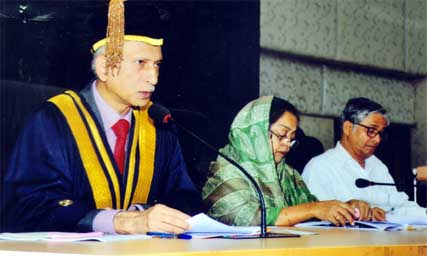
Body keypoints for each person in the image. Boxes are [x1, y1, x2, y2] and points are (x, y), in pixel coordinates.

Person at [3, 0, 200, 234]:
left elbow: (183, 198)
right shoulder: (53, 121)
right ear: (105, 67)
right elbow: (30, 205)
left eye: (157, 65)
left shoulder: (159, 125)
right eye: (141, 63)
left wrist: (143, 215)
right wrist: (118, 221)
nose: (154, 78)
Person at [202, 96, 374, 227]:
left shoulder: (289, 174)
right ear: (256, 132)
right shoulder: (226, 170)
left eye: (291, 138)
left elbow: (313, 210)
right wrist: (314, 209)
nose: (287, 144)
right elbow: (246, 219)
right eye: (281, 135)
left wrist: (348, 209)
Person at [302, 97, 426, 217]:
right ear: (348, 128)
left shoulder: (378, 166)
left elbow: (399, 206)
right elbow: (315, 215)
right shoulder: (319, 167)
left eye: (380, 133)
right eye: (371, 130)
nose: (377, 140)